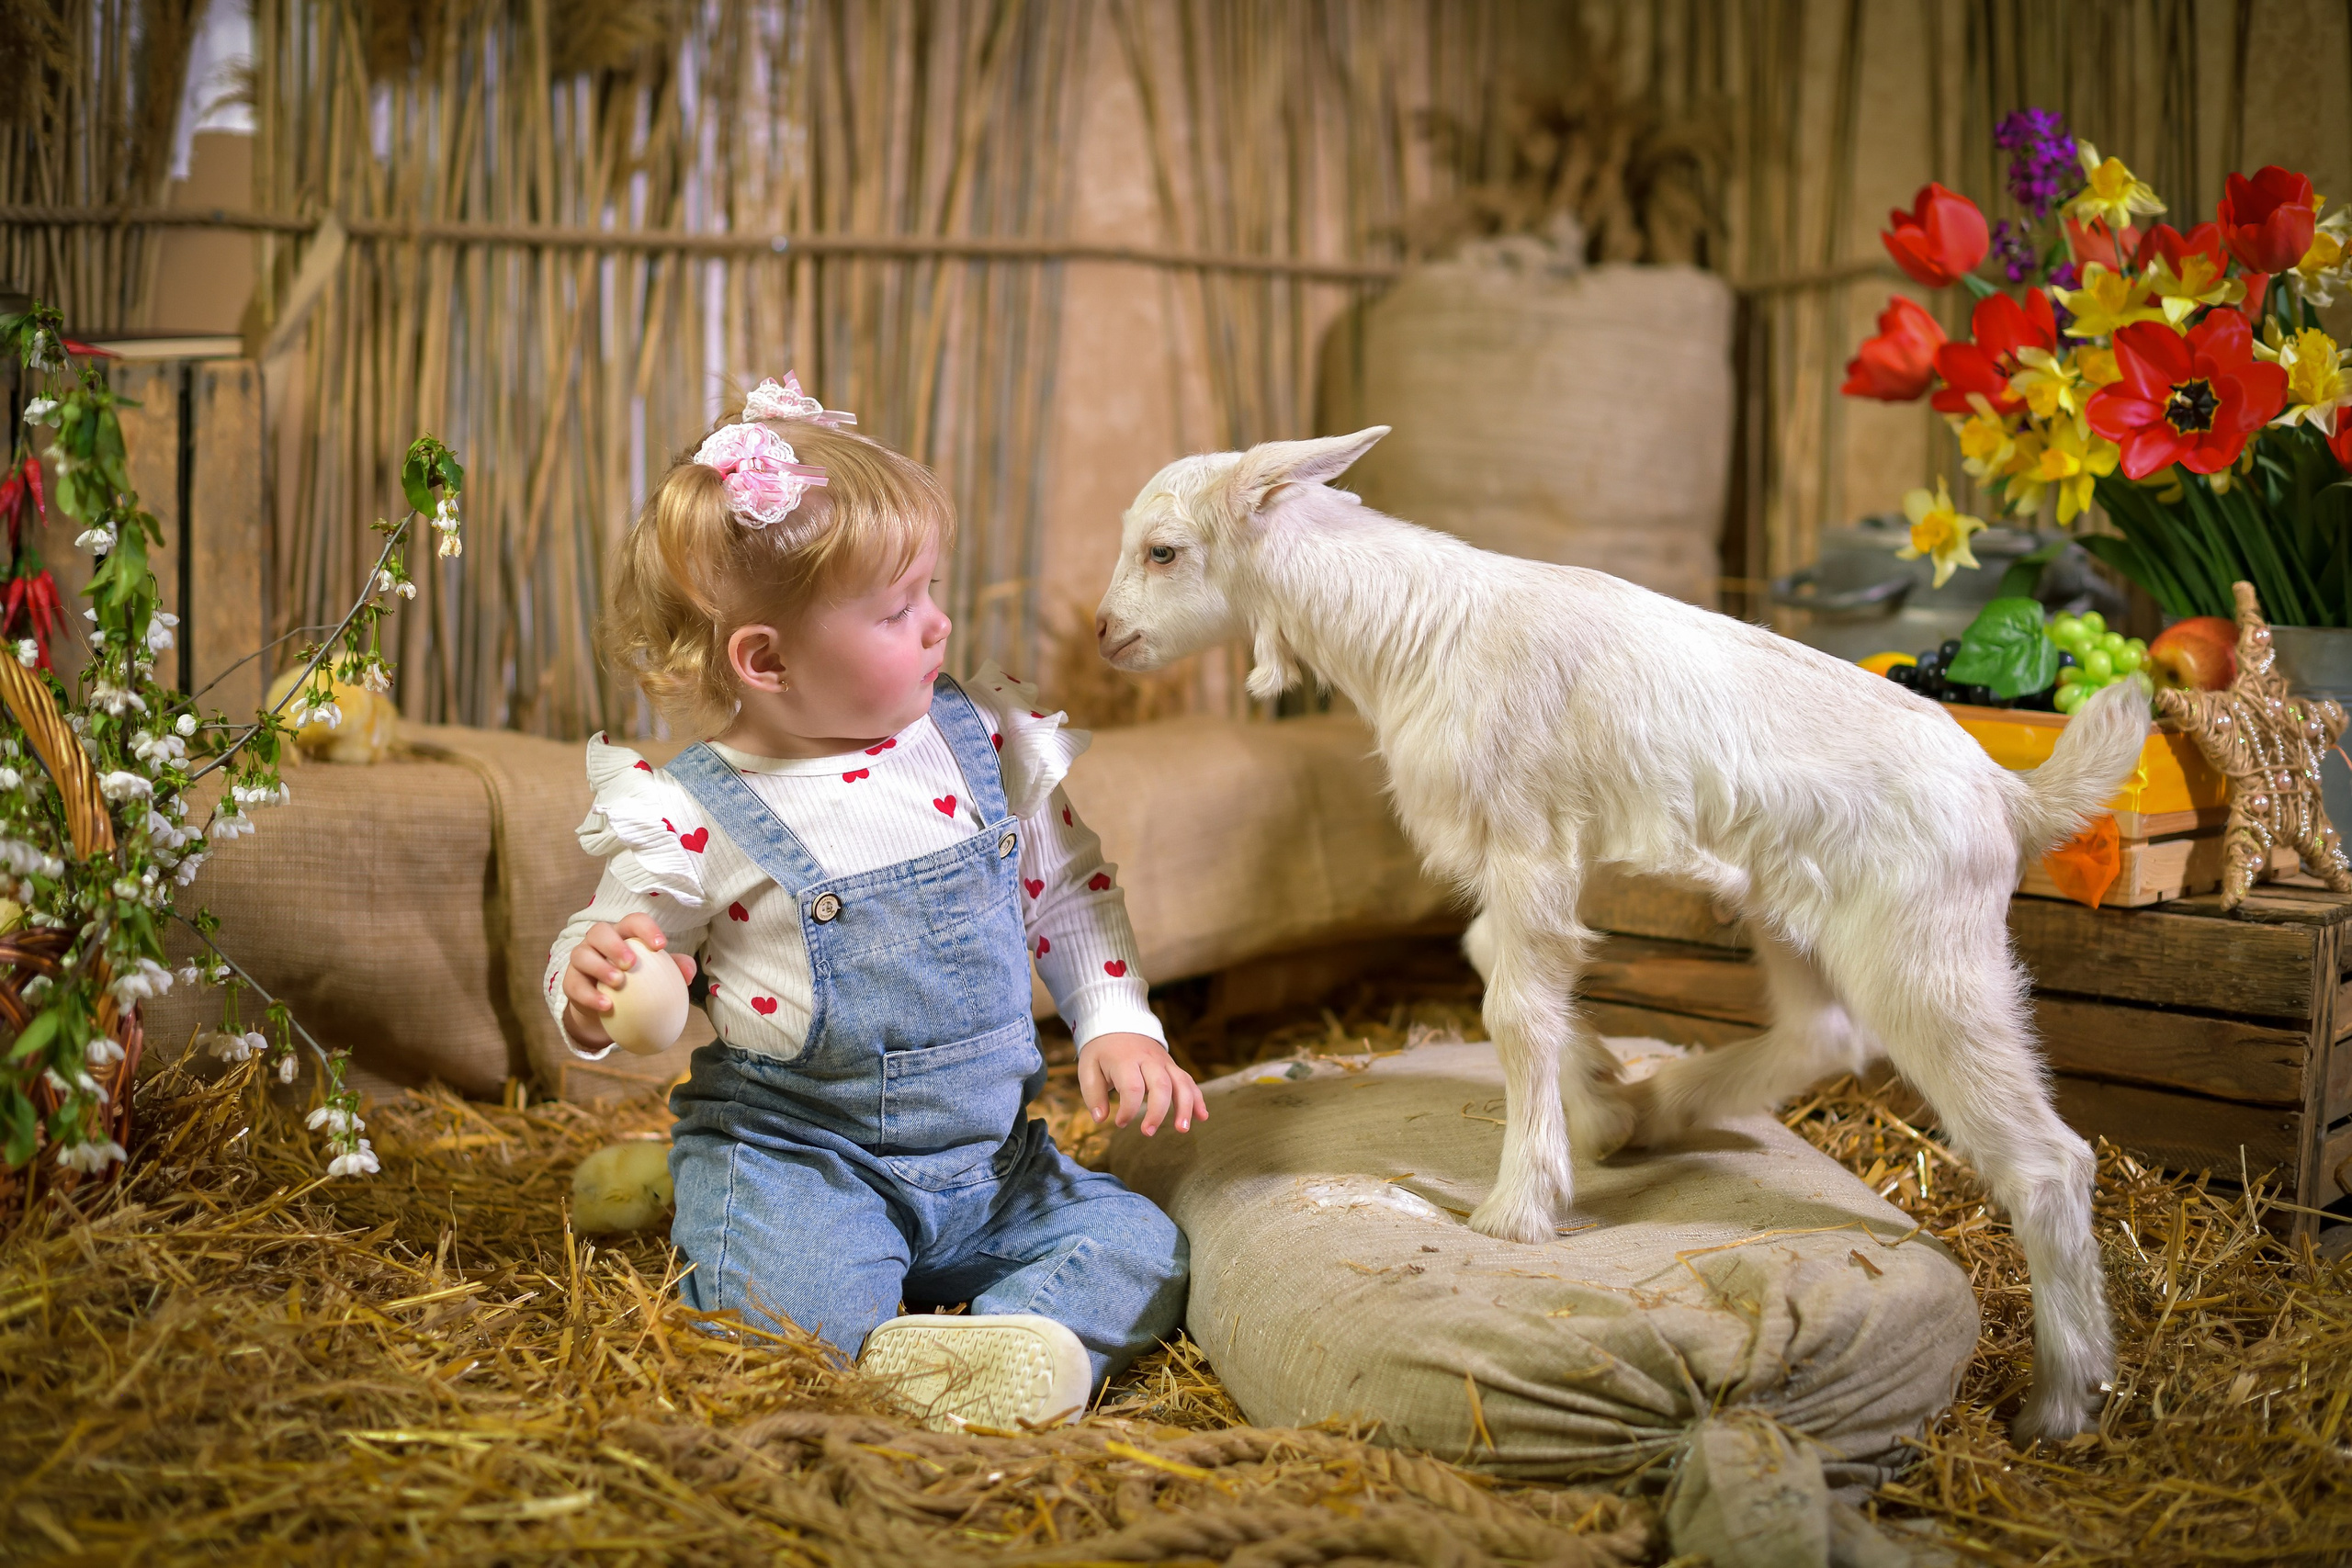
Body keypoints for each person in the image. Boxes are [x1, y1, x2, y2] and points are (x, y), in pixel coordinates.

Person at [548, 375, 1203, 1429]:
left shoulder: (982, 741)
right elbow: (620, 944)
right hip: (804, 1158)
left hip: (991, 1166)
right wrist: (595, 981)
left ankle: (1006, 1352)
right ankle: (783, 1258)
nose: (939, 624)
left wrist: (1119, 1024)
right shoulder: (695, 814)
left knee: (1143, 1248)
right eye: (899, 610)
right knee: (786, 1322)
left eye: (932, 589)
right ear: (765, 660)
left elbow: (1067, 891)